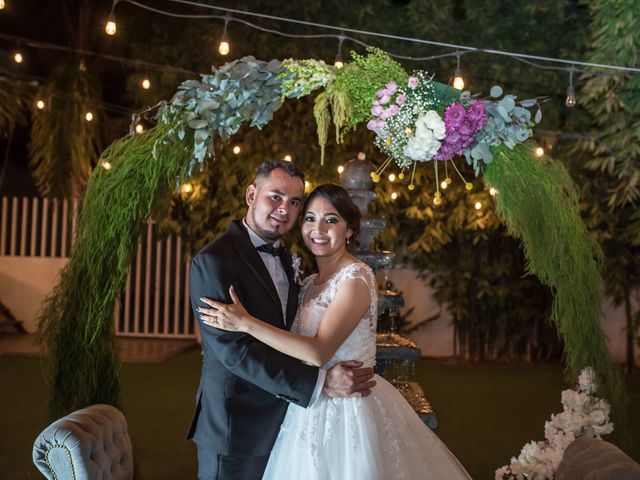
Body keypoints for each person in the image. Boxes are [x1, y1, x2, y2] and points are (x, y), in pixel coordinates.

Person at [199, 183, 473, 479]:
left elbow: (318, 351)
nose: (318, 229)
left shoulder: (355, 278)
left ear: (350, 231)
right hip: (307, 410)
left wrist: (245, 323)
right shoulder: (307, 283)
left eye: (331, 220)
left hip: (349, 413)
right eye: (310, 218)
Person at [187, 162, 376, 480]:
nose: (284, 209)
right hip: (237, 425)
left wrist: (248, 322)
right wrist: (320, 382)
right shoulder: (214, 261)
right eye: (275, 196)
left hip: (290, 420)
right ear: (251, 194)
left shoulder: (294, 264)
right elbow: (235, 353)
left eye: (294, 202)